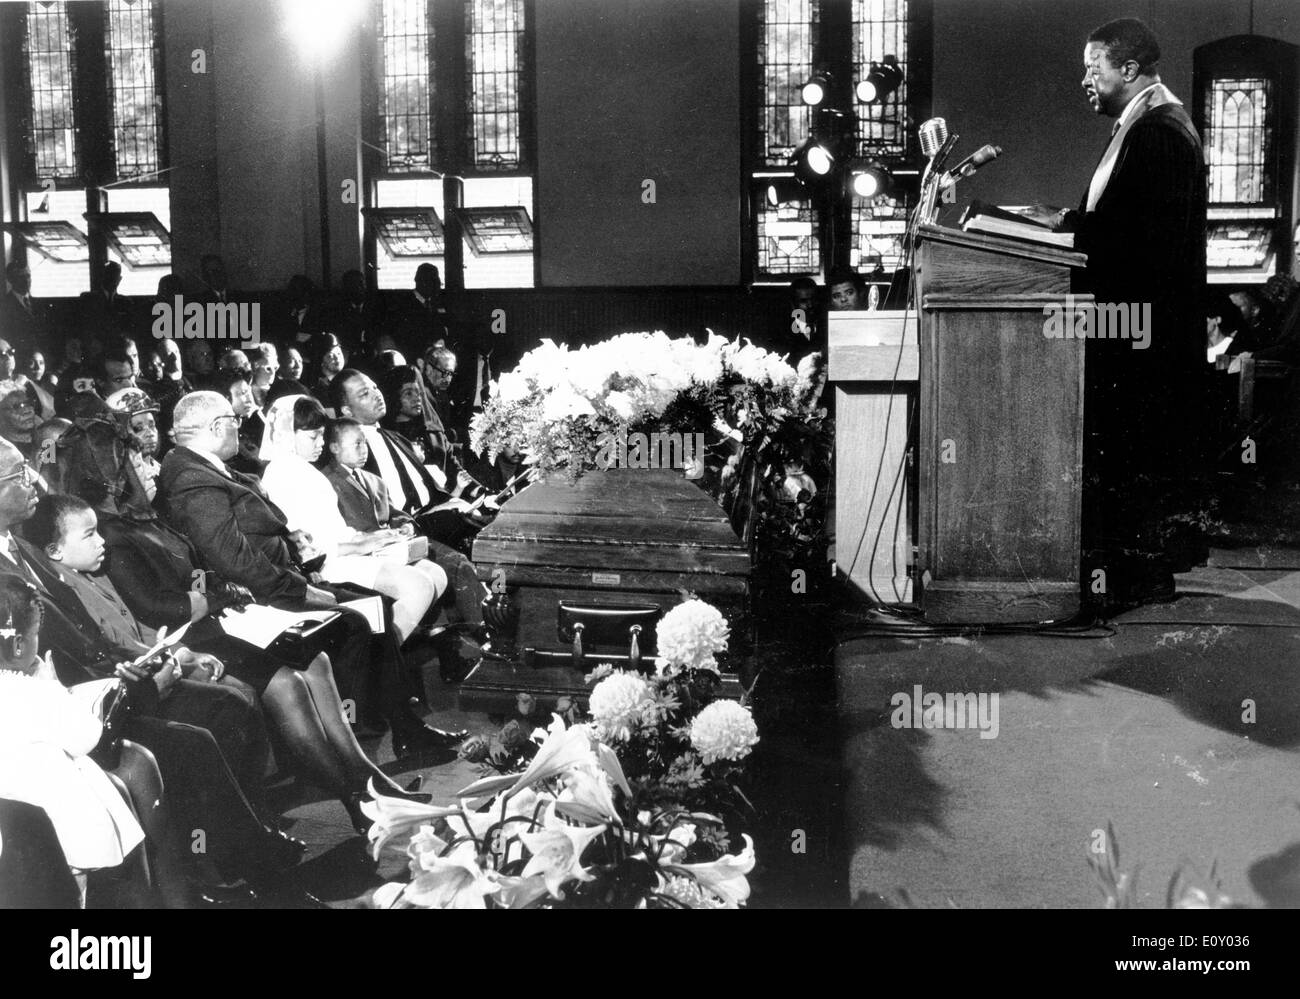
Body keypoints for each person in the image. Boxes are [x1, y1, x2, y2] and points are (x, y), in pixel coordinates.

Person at [154, 392, 464, 758]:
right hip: (259, 597)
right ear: (217, 426)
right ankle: (365, 733)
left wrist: (292, 543)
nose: (239, 429)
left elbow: (249, 536)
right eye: (234, 422)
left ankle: (399, 728)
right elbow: (232, 558)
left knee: (374, 611)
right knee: (361, 618)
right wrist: (299, 588)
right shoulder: (193, 476)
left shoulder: (207, 468)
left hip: (279, 579)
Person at [1061, 17, 1208, 600]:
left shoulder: (1161, 131)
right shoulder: (1142, 124)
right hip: (1130, 323)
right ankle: (1128, 572)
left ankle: (1136, 576)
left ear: (1128, 69)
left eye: (1092, 67)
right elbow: (1121, 221)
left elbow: (1146, 245)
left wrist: (1073, 237)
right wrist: (1066, 226)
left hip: (1140, 331)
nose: (1084, 80)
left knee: (1133, 453)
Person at [0, 574, 148, 904]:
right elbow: (89, 736)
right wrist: (48, 682)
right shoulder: (30, 692)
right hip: (60, 828)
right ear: (19, 645)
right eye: (36, 634)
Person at [258, 394, 446, 644]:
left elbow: (333, 527)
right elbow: (308, 546)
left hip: (344, 551)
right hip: (326, 564)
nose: (321, 444)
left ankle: (389, 645)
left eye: (322, 435)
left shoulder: (302, 469)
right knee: (419, 586)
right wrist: (361, 544)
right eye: (313, 437)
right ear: (288, 434)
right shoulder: (282, 473)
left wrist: (373, 538)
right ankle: (382, 654)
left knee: (435, 574)